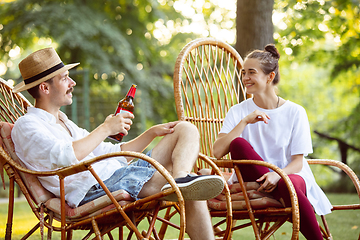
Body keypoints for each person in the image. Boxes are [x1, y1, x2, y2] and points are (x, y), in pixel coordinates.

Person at [11, 47, 225, 240]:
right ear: (45, 88)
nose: (72, 83)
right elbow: (66, 156)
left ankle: (180, 179)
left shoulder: (65, 123)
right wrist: (105, 128)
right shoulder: (27, 125)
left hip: (119, 173)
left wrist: (151, 133)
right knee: (193, 189)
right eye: (65, 78)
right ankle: (182, 182)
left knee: (185, 128)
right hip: (97, 187)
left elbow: (113, 152)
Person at [212, 44, 332, 240]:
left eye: (251, 72)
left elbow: (297, 163)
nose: (245, 78)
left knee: (288, 184)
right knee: (238, 144)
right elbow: (217, 152)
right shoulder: (238, 111)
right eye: (243, 73)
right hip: (252, 177)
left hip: (290, 175)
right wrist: (244, 122)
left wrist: (277, 176)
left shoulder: (295, 112)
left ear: (270, 76)